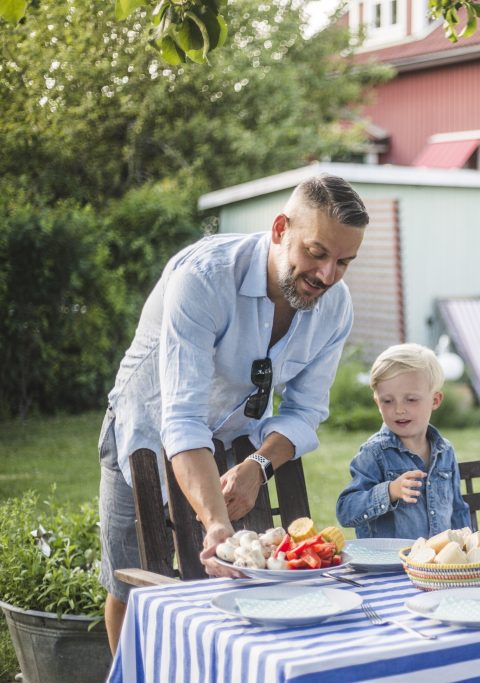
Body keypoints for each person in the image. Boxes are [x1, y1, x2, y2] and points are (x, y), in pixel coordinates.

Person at [98, 173, 369, 652]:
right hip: (141, 433)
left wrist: (259, 465)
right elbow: (180, 419)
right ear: (281, 227)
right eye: (317, 253)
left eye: (344, 261)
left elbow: (306, 411)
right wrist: (216, 521)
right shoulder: (202, 279)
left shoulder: (335, 306)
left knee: (232, 583)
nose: (328, 276)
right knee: (131, 587)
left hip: (234, 438)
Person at [336, 343, 472, 538]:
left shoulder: (445, 451)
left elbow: (457, 509)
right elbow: (345, 510)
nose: (399, 409)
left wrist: (469, 547)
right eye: (387, 401)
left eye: (411, 399)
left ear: (435, 400)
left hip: (438, 564)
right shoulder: (374, 453)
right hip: (391, 565)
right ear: (377, 402)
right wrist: (389, 492)